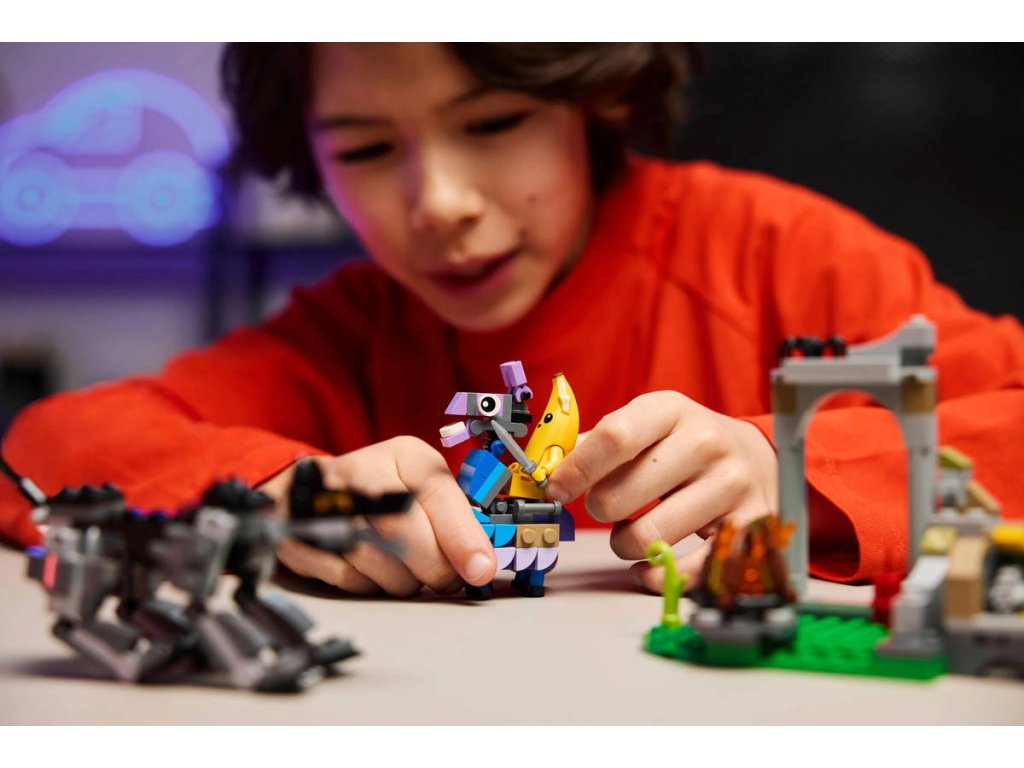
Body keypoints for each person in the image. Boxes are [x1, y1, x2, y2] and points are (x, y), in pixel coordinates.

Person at [2, 43, 1022, 598]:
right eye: (364, 150)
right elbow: (51, 443)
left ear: (598, 98)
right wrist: (281, 493)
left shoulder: (779, 252)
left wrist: (790, 471)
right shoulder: (346, 333)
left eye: (493, 124)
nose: (439, 203)